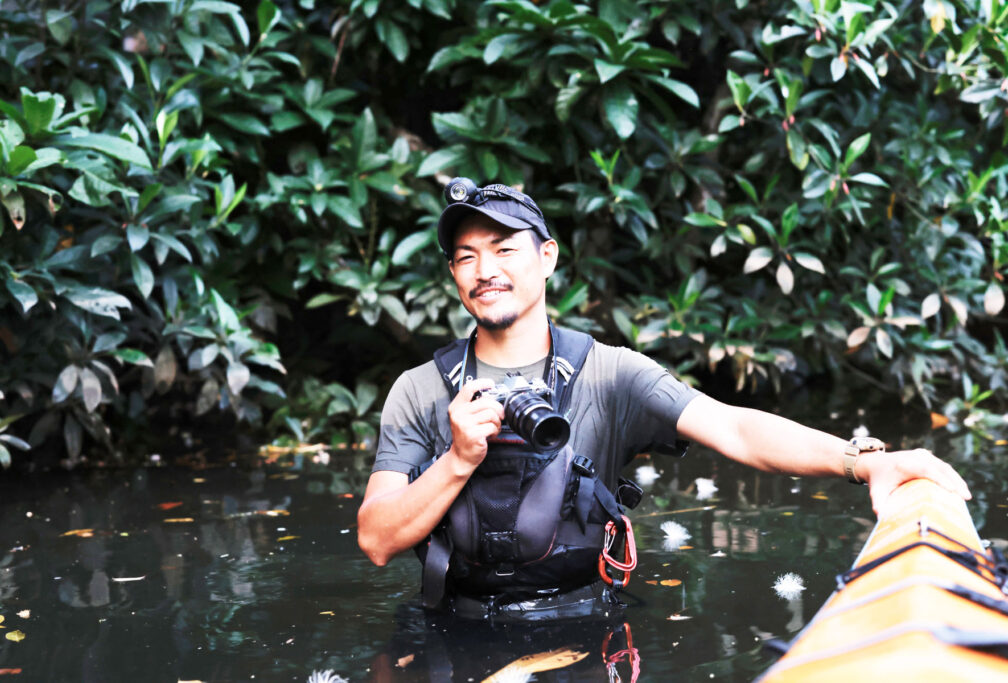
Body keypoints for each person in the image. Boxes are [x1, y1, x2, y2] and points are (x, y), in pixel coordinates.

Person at [357, 178, 972, 622]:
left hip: (586, 625)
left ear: (547, 258)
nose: (484, 269)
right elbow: (376, 541)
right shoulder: (421, 389)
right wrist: (458, 458)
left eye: (503, 249)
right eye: (466, 257)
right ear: (454, 275)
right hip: (452, 629)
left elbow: (734, 429)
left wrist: (861, 461)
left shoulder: (611, 374)